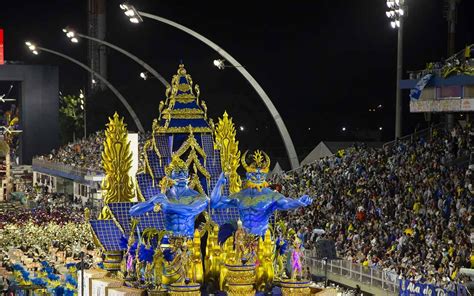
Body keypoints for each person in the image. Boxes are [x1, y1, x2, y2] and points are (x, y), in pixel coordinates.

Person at [211, 150, 312, 236]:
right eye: (254, 174)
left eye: (261, 174)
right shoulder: (240, 196)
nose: (258, 177)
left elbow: (286, 203)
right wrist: (219, 183)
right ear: (248, 174)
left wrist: (298, 201)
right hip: (242, 240)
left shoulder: (271, 195)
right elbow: (215, 203)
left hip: (262, 241)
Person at [130, 155, 209, 237]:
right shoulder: (163, 197)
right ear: (169, 176)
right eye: (178, 171)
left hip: (189, 241)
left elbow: (190, 210)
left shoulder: (199, 197)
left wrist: (168, 206)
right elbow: (133, 211)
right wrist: (151, 203)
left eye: (184, 171)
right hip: (167, 240)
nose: (181, 174)